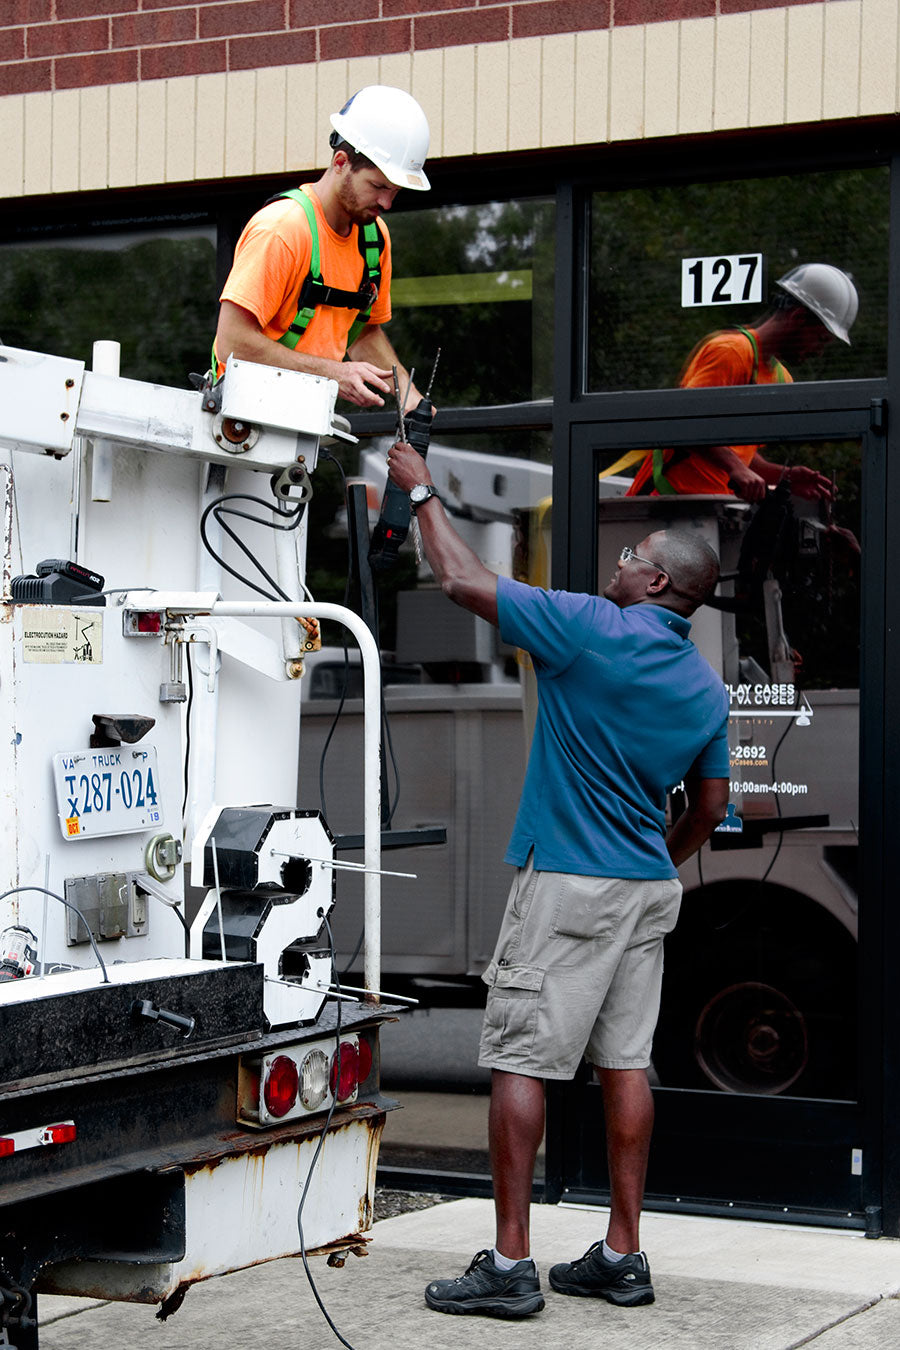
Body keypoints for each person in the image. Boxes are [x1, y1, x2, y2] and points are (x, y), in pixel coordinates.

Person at [386, 440, 731, 1320]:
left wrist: (421, 487)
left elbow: (462, 581)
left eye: (632, 558)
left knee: (517, 1057)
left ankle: (508, 1266)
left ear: (657, 585)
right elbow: (713, 805)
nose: (618, 564)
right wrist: (658, 856)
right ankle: (622, 1254)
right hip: (646, 891)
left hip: (568, 886)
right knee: (626, 1063)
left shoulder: (590, 628)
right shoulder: (703, 686)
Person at [214, 85, 429, 410]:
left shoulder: (374, 239)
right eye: (377, 186)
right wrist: (332, 373)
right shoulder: (282, 229)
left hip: (305, 418)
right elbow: (232, 343)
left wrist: (411, 400)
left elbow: (363, 333)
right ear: (341, 162)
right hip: (241, 421)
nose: (386, 202)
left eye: (395, 191)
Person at [626, 263, 858, 502]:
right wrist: (736, 468)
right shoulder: (731, 352)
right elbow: (684, 421)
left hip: (708, 511)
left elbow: (742, 458)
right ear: (798, 318)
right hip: (662, 507)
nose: (819, 352)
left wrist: (784, 477)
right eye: (820, 340)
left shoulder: (781, 379)